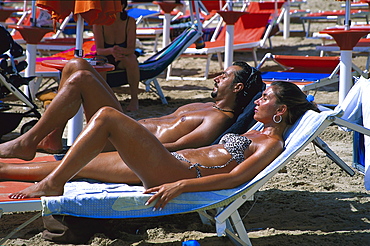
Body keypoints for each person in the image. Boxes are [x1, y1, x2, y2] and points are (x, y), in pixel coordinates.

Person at [8, 81, 319, 211]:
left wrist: (180, 185)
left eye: (266, 98)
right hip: (167, 160)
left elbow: (236, 179)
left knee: (105, 117)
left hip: (175, 170)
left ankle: (52, 185)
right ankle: (40, 175)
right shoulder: (255, 129)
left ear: (280, 111)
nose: (259, 100)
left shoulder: (272, 144)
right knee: (62, 167)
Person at [0, 57, 263, 161]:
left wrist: (133, 148)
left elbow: (182, 149)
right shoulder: (206, 106)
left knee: (82, 79)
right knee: (75, 66)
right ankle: (50, 139)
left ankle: (26, 142)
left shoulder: (219, 118)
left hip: (127, 143)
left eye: (225, 76)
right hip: (124, 127)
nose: (217, 77)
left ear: (238, 88)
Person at [93, 0, 140, 111]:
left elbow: (131, 49)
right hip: (106, 56)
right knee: (101, 63)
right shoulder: (99, 23)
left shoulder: (129, 22)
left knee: (132, 59)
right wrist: (112, 51)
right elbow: (99, 50)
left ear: (122, 6)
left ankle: (134, 99)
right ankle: (105, 100)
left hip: (123, 57)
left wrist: (121, 52)